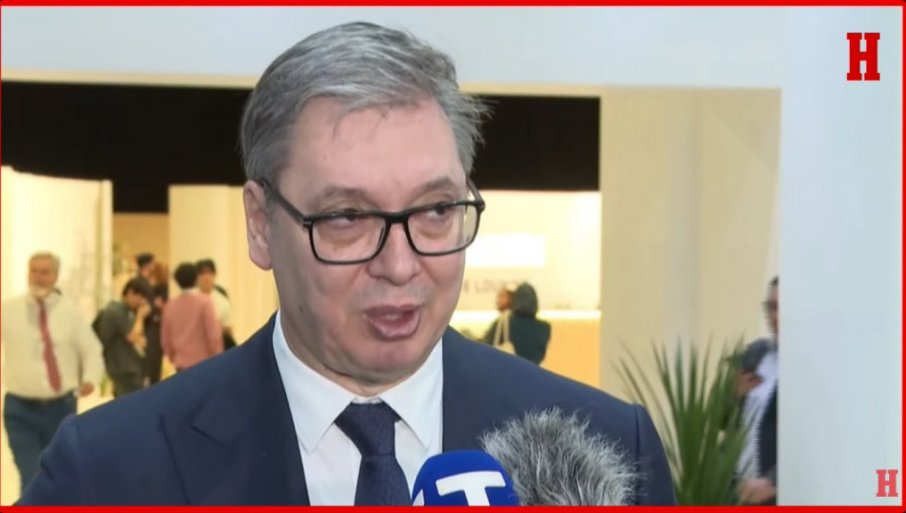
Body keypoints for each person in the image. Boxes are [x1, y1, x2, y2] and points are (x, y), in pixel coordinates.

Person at [18, 22, 674, 505]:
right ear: (261, 225)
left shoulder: (609, 453)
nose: (400, 264)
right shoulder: (107, 468)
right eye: (347, 218)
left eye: (435, 209)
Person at [1, 252, 104, 493]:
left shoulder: (69, 312)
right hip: (20, 409)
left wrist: (90, 378)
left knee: (59, 473)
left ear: (55, 276)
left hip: (60, 408)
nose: (38, 277)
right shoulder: (8, 311)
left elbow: (91, 349)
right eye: (34, 271)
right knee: (31, 476)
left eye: (45, 272)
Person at [736, 276, 779, 505]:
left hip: (774, 494)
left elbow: (815, 437)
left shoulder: (806, 367)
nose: (774, 316)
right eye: (770, 307)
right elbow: (723, 421)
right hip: (740, 491)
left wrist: (773, 481)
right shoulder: (756, 354)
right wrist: (734, 395)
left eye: (780, 308)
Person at [94, 278, 153, 397]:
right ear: (130, 293)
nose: (142, 303)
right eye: (140, 298)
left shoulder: (127, 311)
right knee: (132, 402)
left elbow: (140, 338)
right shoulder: (116, 311)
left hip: (130, 367)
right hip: (123, 368)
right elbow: (133, 336)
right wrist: (141, 316)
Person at [161, 263, 223, 372]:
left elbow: (165, 339)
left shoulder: (170, 306)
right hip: (204, 363)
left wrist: (172, 357)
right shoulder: (205, 302)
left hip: (180, 363)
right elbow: (213, 335)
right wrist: (219, 357)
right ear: (196, 279)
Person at [484, 283, 551, 365]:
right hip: (532, 372)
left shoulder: (504, 322)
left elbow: (485, 346)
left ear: (515, 300)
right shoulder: (545, 328)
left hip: (508, 370)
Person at [195, 259, 236, 350]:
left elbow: (227, 330)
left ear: (214, 275)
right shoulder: (189, 299)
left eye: (209, 273)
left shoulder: (222, 301)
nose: (206, 277)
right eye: (202, 274)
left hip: (214, 349)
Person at [145, 262, 169, 384]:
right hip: (157, 327)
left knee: (153, 361)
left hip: (154, 327)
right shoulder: (164, 288)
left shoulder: (158, 289)